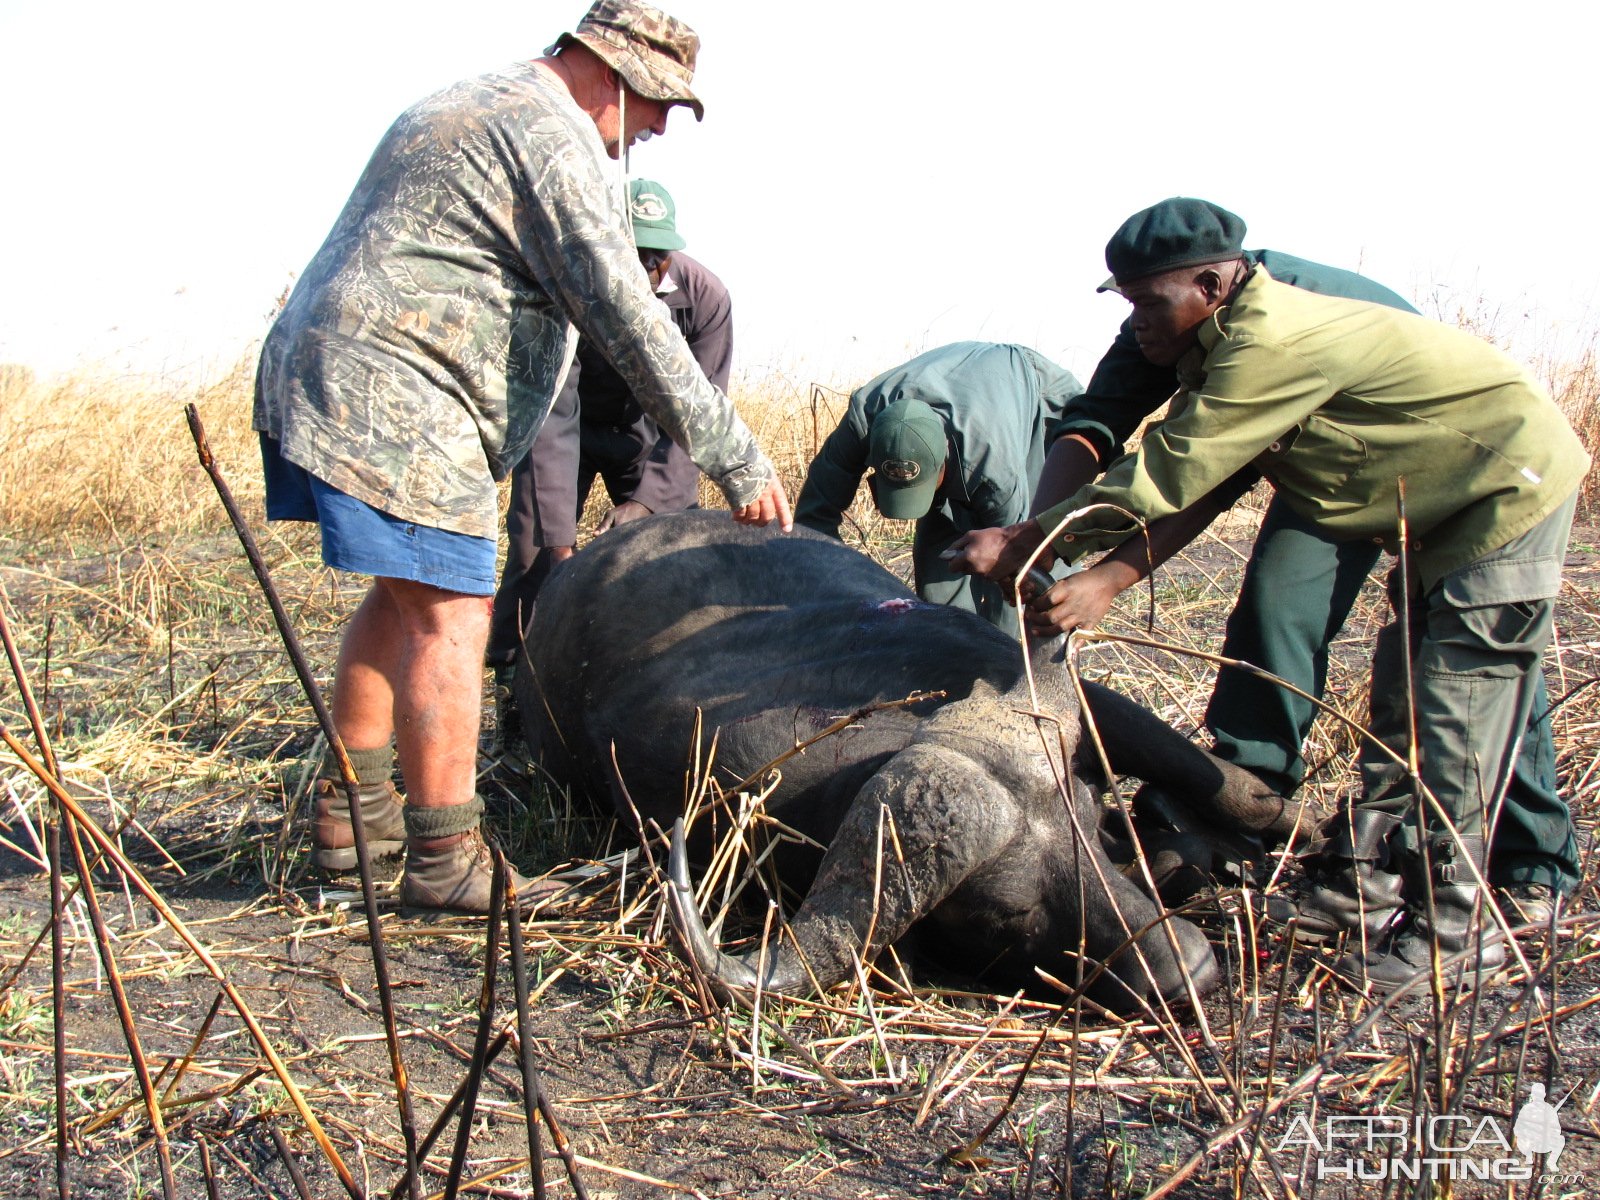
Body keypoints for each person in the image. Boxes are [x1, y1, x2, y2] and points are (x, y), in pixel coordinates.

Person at [946, 197, 1589, 990]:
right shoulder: (1206, 338)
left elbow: (1171, 472)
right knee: (1402, 701)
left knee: (1457, 703)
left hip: (1501, 488)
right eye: (1125, 302)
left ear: (1213, 283)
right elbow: (1181, 469)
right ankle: (1365, 892)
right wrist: (1095, 571)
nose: (1136, 323)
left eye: (1149, 302)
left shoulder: (1271, 341)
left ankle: (1460, 930)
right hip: (1428, 502)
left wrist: (1027, 541)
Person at [252, 0, 791, 914]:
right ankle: (445, 859)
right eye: (660, 104)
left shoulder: (475, 96)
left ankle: (355, 821)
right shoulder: (554, 135)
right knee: (455, 614)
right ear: (619, 71)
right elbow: (627, 317)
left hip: (333, 367)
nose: (658, 128)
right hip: (400, 389)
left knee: (402, 596)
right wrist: (739, 459)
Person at [487, 178, 731, 671]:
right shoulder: (566, 288)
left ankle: (655, 671)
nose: (645, 268)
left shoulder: (706, 300)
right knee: (536, 549)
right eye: (632, 251)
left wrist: (646, 502)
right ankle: (515, 677)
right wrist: (560, 543)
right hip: (567, 433)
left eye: (656, 255)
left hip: (650, 438)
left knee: (667, 546)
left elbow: (699, 415)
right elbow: (553, 412)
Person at [794, 342, 1082, 634]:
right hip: (960, 418)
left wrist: (1008, 653)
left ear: (945, 460)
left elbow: (1020, 557)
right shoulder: (862, 420)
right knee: (939, 575)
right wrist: (825, 589)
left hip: (1034, 396)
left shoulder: (994, 467)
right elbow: (814, 515)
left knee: (1035, 568)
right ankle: (954, 646)